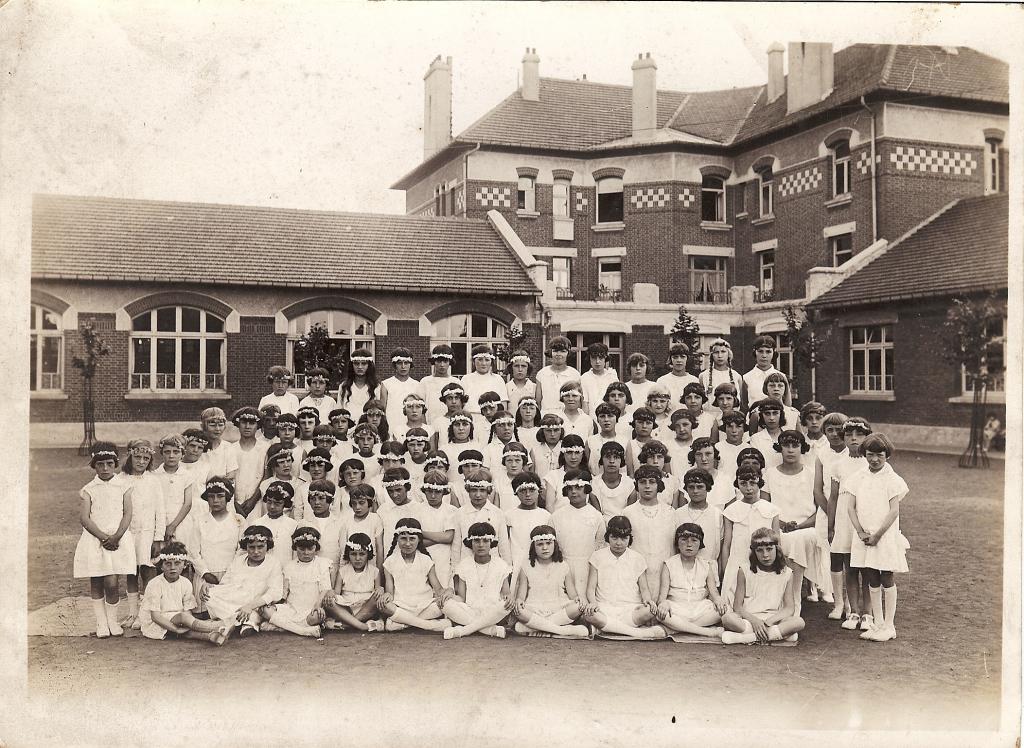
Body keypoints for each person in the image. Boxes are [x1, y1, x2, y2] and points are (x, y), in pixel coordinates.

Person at [848, 433, 909, 642]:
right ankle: (877, 623)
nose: (874, 459)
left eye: (879, 455)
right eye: (870, 454)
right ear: (865, 454)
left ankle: (889, 626)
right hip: (864, 536)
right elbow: (850, 507)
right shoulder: (858, 477)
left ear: (887, 456)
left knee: (885, 576)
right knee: (871, 576)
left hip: (884, 536)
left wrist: (877, 535)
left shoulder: (893, 479)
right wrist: (861, 532)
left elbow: (893, 511)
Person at [74, 442, 135, 638]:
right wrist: (102, 537)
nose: (106, 468)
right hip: (95, 538)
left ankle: (113, 621)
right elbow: (84, 518)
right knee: (97, 579)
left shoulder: (124, 486)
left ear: (116, 464)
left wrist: (116, 536)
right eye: (101, 464)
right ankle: (101, 623)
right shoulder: (89, 489)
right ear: (94, 465)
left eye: (110, 463)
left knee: (112, 581)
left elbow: (127, 513)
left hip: (118, 538)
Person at [582, 516, 667, 640]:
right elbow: (591, 588)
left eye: (624, 538)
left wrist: (648, 600)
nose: (618, 543)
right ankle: (635, 632)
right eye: (614, 537)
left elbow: (644, 589)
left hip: (630, 608)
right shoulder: (597, 556)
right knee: (589, 615)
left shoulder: (637, 558)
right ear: (607, 537)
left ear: (629, 539)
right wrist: (593, 603)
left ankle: (608, 628)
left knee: (649, 610)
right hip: (605, 607)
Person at [764, 430, 822, 611]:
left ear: (801, 448)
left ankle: (794, 597)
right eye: (786, 446)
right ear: (779, 448)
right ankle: (778, 597)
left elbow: (821, 509)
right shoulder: (769, 474)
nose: (790, 450)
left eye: (795, 445)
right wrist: (780, 524)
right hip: (777, 526)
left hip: (807, 528)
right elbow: (764, 506)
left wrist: (800, 525)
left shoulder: (812, 474)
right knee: (781, 539)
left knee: (797, 539)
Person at [721, 527, 805, 644]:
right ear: (754, 552)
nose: (765, 555)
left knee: (799, 622)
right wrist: (755, 622)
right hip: (749, 620)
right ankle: (776, 634)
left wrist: (767, 623)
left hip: (773, 620)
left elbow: (789, 608)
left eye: (769, 549)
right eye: (760, 550)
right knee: (727, 619)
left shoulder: (787, 573)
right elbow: (738, 607)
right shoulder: (744, 570)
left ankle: (746, 638)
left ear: (777, 548)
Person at [200, 525, 285, 638]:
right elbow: (226, 584)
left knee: (260, 607)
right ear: (246, 547)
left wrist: (249, 606)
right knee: (209, 594)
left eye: (260, 547)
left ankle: (239, 620)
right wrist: (210, 587)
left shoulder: (273, 563)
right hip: (237, 599)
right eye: (251, 547)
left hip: (256, 602)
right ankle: (245, 620)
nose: (256, 552)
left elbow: (275, 592)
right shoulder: (239, 560)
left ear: (267, 546)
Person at [828, 418, 873, 632]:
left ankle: (868, 614)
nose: (853, 439)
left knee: (868, 567)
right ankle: (853, 611)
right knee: (850, 568)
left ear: (867, 437)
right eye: (849, 435)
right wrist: (831, 526)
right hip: (844, 521)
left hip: (865, 520)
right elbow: (834, 498)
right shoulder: (838, 465)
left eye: (859, 434)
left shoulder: (871, 463)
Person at [139, 543, 231, 645]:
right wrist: (176, 629)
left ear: (184, 565)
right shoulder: (155, 584)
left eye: (177, 563)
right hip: (155, 622)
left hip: (178, 620)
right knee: (183, 619)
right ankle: (218, 626)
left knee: (186, 625)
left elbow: (187, 611)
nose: (172, 567)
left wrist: (184, 626)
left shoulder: (185, 583)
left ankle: (212, 636)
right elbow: (155, 616)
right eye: (168, 564)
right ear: (161, 567)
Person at [375, 518, 453, 632]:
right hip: (401, 606)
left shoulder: (426, 560)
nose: (407, 543)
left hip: (424, 606)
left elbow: (439, 589)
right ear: (397, 539)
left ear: (419, 540)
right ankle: (429, 625)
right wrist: (387, 596)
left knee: (448, 602)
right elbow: (390, 592)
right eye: (403, 539)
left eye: (412, 539)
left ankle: (404, 623)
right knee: (384, 606)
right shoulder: (390, 562)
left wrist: (449, 590)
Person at [511, 526, 590, 638]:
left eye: (548, 543)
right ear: (533, 547)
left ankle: (534, 628)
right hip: (535, 607)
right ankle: (561, 631)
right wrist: (519, 600)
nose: (545, 548)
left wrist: (577, 598)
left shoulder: (563, 566)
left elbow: (572, 593)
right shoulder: (526, 566)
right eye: (540, 544)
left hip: (558, 607)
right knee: (518, 610)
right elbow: (522, 592)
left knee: (577, 607)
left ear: (555, 545)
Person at [720, 466, 781, 604]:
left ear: (759, 482)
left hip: (763, 561)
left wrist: (777, 564)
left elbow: (777, 542)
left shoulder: (771, 509)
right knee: (733, 602)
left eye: (753, 483)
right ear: (738, 484)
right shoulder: (731, 511)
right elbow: (727, 544)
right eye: (743, 483)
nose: (748, 488)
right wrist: (726, 571)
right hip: (738, 561)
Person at [442, 522, 514, 639]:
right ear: (471, 543)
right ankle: (488, 629)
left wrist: (509, 597)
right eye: (477, 541)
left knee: (506, 605)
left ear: (491, 543)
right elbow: (462, 598)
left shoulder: (501, 564)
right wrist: (449, 594)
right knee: (444, 604)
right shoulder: (464, 565)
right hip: (470, 611)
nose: (481, 545)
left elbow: (506, 594)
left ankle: (464, 630)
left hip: (492, 612)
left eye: (485, 541)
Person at [655, 523, 727, 638]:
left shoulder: (706, 565)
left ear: (700, 544)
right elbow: (662, 597)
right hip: (677, 607)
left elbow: (714, 592)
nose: (689, 545)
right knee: (660, 614)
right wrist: (663, 603)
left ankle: (677, 628)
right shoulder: (669, 564)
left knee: (725, 610)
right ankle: (707, 632)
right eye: (684, 540)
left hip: (700, 608)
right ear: (677, 543)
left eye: (694, 540)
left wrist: (718, 599)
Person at [122, 439, 164, 628]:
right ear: (130, 456)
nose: (141, 461)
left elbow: (160, 511)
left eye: (145, 458)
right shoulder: (121, 479)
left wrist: (158, 538)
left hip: (147, 534)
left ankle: (145, 614)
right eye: (137, 457)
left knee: (148, 571)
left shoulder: (154, 481)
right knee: (131, 572)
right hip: (127, 533)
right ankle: (132, 612)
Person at [259, 527, 333, 637]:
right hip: (291, 607)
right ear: (295, 548)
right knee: (265, 609)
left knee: (318, 616)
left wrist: (318, 605)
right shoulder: (289, 566)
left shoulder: (322, 564)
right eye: (302, 549)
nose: (306, 553)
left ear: (316, 548)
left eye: (310, 549)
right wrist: (274, 603)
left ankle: (281, 626)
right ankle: (302, 630)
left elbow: (325, 589)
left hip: (311, 608)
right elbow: (285, 592)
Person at [191, 477, 245, 616]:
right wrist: (206, 573)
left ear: (227, 498)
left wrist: (229, 574)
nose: (215, 500)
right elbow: (194, 552)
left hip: (230, 575)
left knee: (229, 613)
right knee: (205, 614)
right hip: (206, 576)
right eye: (211, 496)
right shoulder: (200, 521)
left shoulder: (238, 520)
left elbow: (242, 550)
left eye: (220, 496)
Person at [550, 469, 606, 593]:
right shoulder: (556, 516)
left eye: (578, 487)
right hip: (563, 565)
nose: (574, 492)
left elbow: (600, 546)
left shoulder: (596, 516)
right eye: (570, 488)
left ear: (586, 489)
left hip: (588, 566)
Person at [623, 465, 677, 592]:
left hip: (663, 570)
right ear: (637, 485)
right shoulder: (628, 513)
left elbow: (673, 546)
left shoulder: (670, 512)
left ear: (659, 485)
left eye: (652, 482)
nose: (647, 486)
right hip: (637, 570)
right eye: (642, 482)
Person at [815, 411, 848, 617]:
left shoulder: (854, 452)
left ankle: (853, 604)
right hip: (828, 511)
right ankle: (839, 603)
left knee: (852, 560)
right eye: (830, 430)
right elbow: (818, 489)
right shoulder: (822, 453)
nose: (835, 434)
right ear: (824, 432)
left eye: (839, 430)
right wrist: (831, 516)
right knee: (834, 557)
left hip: (849, 512)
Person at [451, 469, 512, 568]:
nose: (478, 495)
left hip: (492, 567)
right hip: (467, 565)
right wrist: (456, 569)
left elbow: (503, 545)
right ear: (468, 490)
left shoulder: (497, 513)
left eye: (482, 490)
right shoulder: (460, 513)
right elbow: (456, 545)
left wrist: (508, 568)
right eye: (474, 490)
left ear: (488, 491)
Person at [324, 533, 382, 632]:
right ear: (348, 554)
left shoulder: (374, 571)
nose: (358, 558)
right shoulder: (343, 571)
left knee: (378, 598)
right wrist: (331, 593)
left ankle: (347, 625)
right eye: (353, 554)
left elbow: (377, 593)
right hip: (347, 608)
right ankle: (361, 626)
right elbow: (337, 593)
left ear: (368, 554)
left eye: (362, 554)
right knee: (329, 602)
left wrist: (380, 590)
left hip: (366, 608)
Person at [157, 434, 199, 558]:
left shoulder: (187, 475)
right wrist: (162, 526)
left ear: (182, 453)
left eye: (176, 452)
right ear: (162, 453)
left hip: (181, 522)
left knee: (182, 557)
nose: (171, 456)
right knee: (162, 558)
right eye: (167, 452)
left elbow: (187, 503)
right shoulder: (155, 475)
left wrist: (172, 526)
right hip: (161, 522)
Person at [418, 470, 458, 585]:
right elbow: (417, 542)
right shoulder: (417, 510)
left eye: (437, 492)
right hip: (423, 557)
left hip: (445, 559)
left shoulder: (451, 511)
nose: (433, 496)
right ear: (424, 491)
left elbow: (449, 537)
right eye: (429, 491)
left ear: (444, 492)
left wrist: (422, 533)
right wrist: (440, 537)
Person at [675, 469, 724, 563]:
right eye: (691, 487)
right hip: (683, 568)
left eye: (700, 487)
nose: (695, 491)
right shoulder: (678, 514)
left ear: (708, 488)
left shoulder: (717, 514)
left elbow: (721, 546)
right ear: (686, 489)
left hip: (709, 566)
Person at [505, 471, 552, 564]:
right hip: (516, 562)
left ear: (538, 491)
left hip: (538, 563)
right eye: (522, 491)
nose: (527, 495)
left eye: (531, 490)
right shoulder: (509, 515)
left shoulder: (546, 515)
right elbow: (504, 544)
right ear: (516, 492)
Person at [231, 407, 270, 519]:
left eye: (252, 423)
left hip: (257, 501)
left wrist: (252, 500)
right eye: (244, 422)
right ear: (238, 424)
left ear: (258, 425)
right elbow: (228, 477)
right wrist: (234, 503)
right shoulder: (231, 449)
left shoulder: (265, 448)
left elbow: (266, 476)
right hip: (234, 501)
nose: (247, 426)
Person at [304, 479, 345, 582]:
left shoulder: (340, 523)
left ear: (330, 500)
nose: (317, 503)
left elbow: (343, 552)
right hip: (309, 573)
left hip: (333, 573)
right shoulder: (303, 523)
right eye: (313, 499)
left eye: (321, 498)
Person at [381, 348, 425, 435]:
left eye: (406, 363)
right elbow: (382, 411)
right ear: (394, 365)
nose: (403, 366)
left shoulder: (417, 384)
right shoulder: (386, 384)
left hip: (411, 427)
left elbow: (421, 411)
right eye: (399, 363)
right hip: (392, 425)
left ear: (410, 364)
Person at [534, 336, 581, 415]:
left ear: (568, 353)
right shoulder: (542, 374)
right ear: (550, 352)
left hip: (567, 416)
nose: (558, 354)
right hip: (546, 415)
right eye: (555, 351)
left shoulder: (574, 374)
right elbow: (538, 401)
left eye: (563, 351)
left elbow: (578, 401)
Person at [257, 481, 299, 567]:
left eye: (277, 503)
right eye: (269, 501)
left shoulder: (293, 525)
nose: (272, 506)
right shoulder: (257, 524)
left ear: (285, 503)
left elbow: (295, 555)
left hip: (285, 569)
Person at [542, 434, 588, 513]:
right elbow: (549, 506)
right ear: (563, 454)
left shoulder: (588, 477)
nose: (573, 457)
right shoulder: (553, 476)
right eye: (569, 452)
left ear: (582, 454)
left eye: (577, 452)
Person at [460, 345, 507, 416]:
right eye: (480, 359)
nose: (483, 363)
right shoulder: (466, 379)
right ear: (473, 361)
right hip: (471, 418)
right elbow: (460, 403)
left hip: (492, 418)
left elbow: (503, 403)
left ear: (491, 362)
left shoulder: (498, 379)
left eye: (487, 360)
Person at [591, 441, 633, 519]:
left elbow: (630, 514)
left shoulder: (629, 484)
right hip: (602, 525)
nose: (612, 461)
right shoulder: (594, 483)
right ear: (602, 459)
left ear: (621, 461)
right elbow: (597, 515)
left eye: (616, 457)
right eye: (608, 457)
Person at [742, 336, 785, 411]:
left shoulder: (781, 376)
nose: (764, 356)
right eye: (760, 351)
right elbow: (744, 405)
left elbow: (787, 404)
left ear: (774, 352)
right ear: (755, 352)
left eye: (768, 351)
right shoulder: (747, 377)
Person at [421, 345, 460, 423]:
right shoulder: (425, 381)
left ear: (450, 362)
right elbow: (420, 406)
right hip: (431, 423)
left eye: (445, 361)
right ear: (434, 362)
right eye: (439, 361)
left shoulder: (456, 382)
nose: (442, 365)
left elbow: (460, 406)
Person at [699, 338, 744, 406]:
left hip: (731, 415)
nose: (720, 356)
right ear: (712, 355)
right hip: (710, 415)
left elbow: (741, 400)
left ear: (728, 354)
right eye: (716, 352)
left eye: (723, 352)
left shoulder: (736, 376)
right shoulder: (703, 376)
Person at [337, 348, 380, 417]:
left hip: (368, 426)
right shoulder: (344, 386)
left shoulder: (376, 387)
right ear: (352, 365)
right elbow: (339, 410)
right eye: (356, 363)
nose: (360, 367)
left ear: (369, 366)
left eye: (363, 363)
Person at [580, 342, 619, 415]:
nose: (597, 361)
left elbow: (616, 401)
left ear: (605, 358)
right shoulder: (585, 378)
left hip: (609, 417)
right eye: (594, 358)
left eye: (600, 358)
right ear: (590, 359)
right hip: (592, 418)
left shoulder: (612, 376)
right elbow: (585, 403)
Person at [748, 398, 786, 470]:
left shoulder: (788, 436)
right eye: (767, 413)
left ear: (781, 414)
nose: (771, 418)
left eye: (775, 413)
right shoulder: (756, 439)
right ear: (762, 416)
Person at [530, 413, 565, 480]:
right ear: (542, 432)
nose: (552, 434)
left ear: (561, 431)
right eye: (548, 431)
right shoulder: (535, 450)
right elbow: (532, 474)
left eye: (556, 430)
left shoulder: (564, 449)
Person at [505, 349, 537, 416]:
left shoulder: (535, 388)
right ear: (511, 368)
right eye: (516, 366)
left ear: (528, 368)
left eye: (523, 366)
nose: (520, 369)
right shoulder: (505, 388)